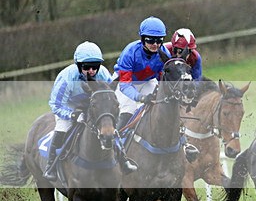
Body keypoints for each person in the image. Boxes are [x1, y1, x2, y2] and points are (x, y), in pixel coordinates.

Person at [43, 41, 138, 181]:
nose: (92, 71)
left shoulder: (104, 74)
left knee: (111, 129)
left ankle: (123, 161)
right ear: (78, 65)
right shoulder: (66, 78)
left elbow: (109, 97)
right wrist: (72, 115)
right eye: (87, 67)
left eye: (95, 66)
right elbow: (56, 104)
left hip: (94, 106)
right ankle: (50, 166)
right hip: (69, 107)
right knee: (62, 128)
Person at [114, 16, 199, 160]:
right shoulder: (130, 52)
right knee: (127, 112)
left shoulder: (164, 53)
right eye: (150, 40)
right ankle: (116, 151)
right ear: (142, 39)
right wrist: (140, 98)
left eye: (159, 40)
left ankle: (184, 143)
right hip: (127, 85)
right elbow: (124, 84)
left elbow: (163, 79)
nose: (155, 44)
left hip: (148, 82)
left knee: (165, 106)